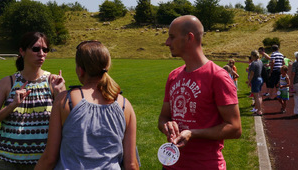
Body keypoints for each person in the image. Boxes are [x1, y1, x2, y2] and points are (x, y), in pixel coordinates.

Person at [35, 41, 139, 169]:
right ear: (107, 66)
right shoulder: (125, 105)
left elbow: (49, 158)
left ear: (80, 70)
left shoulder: (64, 101)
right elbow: (132, 164)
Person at [158, 15, 242, 169]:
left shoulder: (217, 76)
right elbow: (163, 118)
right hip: (171, 164)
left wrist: (193, 133)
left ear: (189, 38)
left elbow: (235, 128)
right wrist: (167, 126)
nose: (167, 42)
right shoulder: (173, 76)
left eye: (172, 37)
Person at [0, 32, 66, 168]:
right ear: (22, 51)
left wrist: (60, 94)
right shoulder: (7, 83)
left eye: (45, 49)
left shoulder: (53, 82)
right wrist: (12, 106)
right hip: (6, 162)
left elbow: (67, 124)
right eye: (36, 49)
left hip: (43, 163)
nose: (41, 53)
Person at [247, 50, 263, 116]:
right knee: (258, 95)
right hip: (260, 78)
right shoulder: (260, 61)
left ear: (253, 56)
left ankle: (259, 111)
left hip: (255, 80)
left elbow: (252, 73)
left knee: (256, 96)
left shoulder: (254, 63)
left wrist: (249, 81)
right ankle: (257, 109)